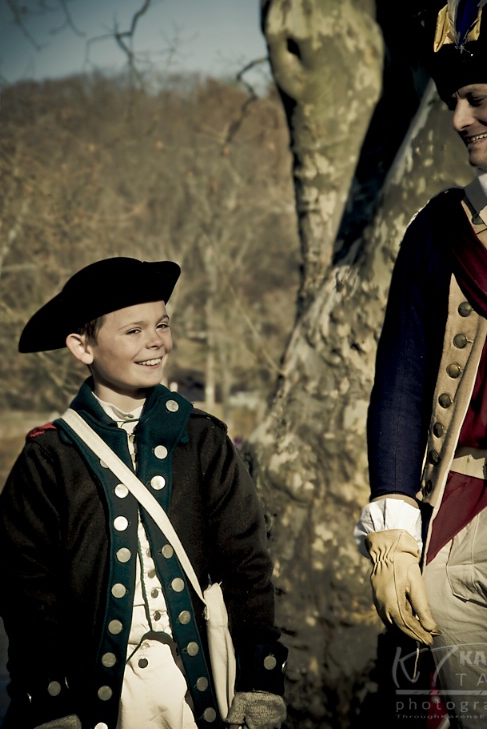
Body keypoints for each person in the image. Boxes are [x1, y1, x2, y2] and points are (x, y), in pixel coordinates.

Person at [355, 0, 487, 728]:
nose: (458, 118)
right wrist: (393, 532)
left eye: (477, 96)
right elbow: (398, 385)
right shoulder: (438, 230)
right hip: (461, 537)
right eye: (452, 100)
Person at [0, 257, 287, 729]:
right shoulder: (48, 458)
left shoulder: (204, 440)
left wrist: (259, 681)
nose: (156, 340)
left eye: (162, 325)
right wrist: (51, 703)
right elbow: (28, 593)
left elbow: (247, 562)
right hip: (96, 698)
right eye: (133, 331)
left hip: (197, 689)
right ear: (82, 346)